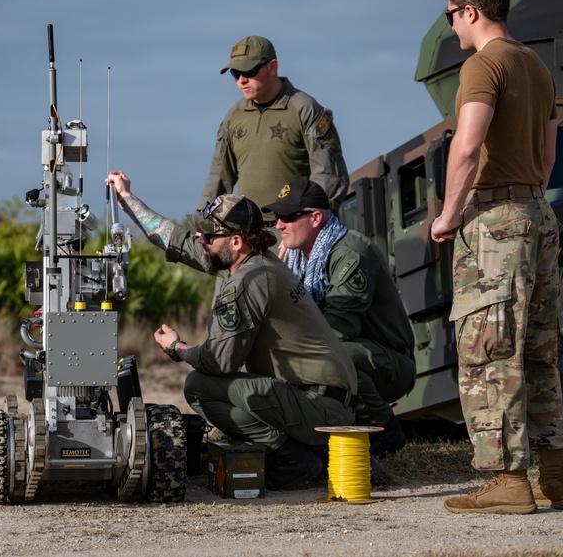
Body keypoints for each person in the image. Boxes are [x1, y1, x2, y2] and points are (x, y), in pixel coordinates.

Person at [428, 0, 563, 515]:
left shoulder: (483, 64)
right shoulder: (536, 66)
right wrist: (528, 199)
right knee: (536, 350)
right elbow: (548, 158)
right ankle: (555, 476)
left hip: (496, 221)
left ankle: (507, 480)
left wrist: (447, 216)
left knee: (488, 351)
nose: (450, 27)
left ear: (469, 10)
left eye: (450, 15)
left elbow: (466, 149)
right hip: (537, 213)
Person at [105, 170, 359, 491]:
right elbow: (176, 238)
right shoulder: (249, 261)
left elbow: (218, 362)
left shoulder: (247, 282)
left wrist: (177, 348)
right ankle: (302, 448)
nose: (202, 241)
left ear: (235, 241)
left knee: (199, 385)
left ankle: (292, 457)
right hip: (324, 401)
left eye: (209, 237)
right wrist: (127, 199)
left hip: (322, 409)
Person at [263, 178, 416, 459]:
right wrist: (281, 274)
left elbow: (339, 328)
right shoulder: (300, 258)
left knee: (328, 354)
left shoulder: (349, 252)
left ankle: (384, 430)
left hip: (389, 361)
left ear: (315, 217)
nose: (278, 225)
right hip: (358, 350)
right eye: (276, 218)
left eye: (287, 217)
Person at [198, 35, 349, 213]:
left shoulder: (304, 109)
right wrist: (204, 220)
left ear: (272, 67)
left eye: (249, 71)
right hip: (251, 234)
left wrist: (305, 223)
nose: (241, 80)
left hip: (296, 229)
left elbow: (328, 174)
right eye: (235, 73)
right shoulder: (234, 115)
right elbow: (219, 176)